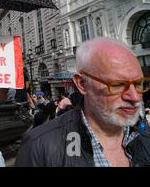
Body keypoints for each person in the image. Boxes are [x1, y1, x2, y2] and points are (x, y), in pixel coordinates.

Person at [15, 37, 150, 167]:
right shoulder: (39, 145)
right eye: (118, 85)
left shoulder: (145, 140)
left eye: (139, 84)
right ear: (82, 84)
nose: (134, 97)